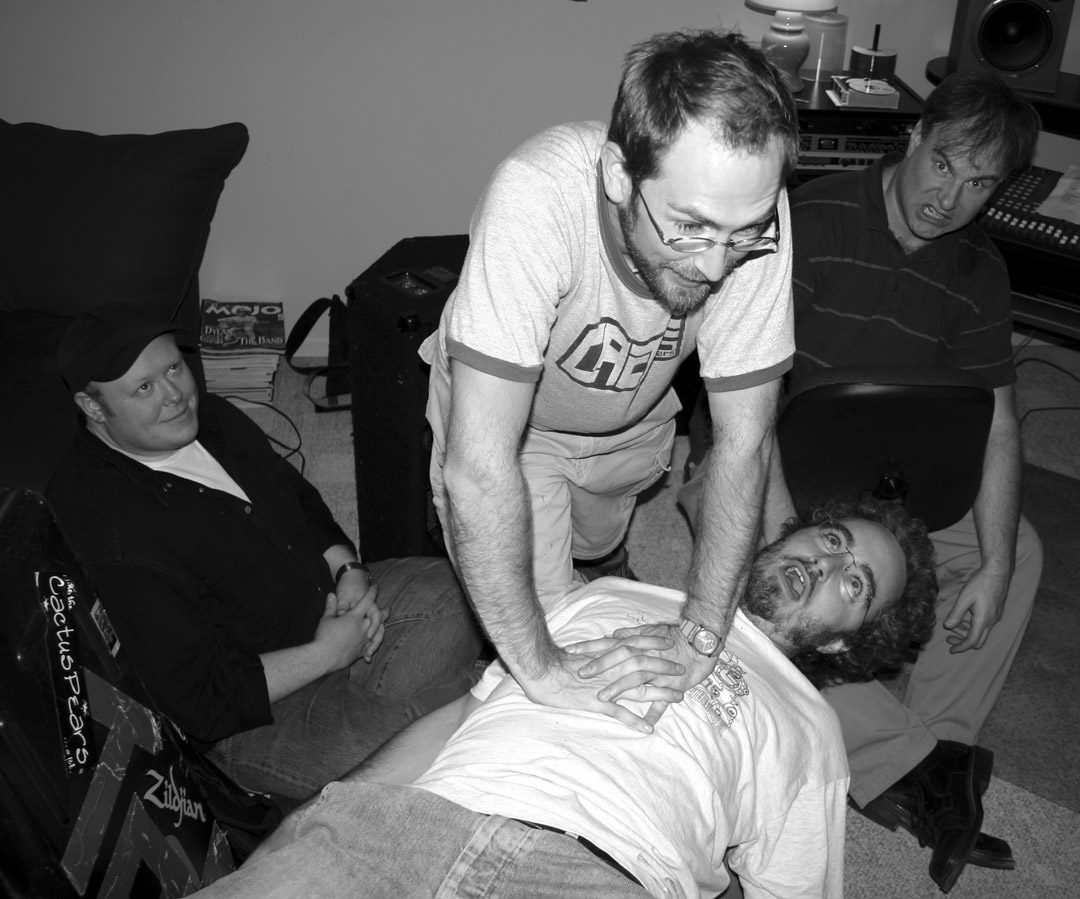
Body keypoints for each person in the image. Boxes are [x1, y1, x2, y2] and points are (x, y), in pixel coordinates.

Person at [189, 497, 939, 899]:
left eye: (855, 584)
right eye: (833, 540)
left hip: (597, 872)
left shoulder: (808, 727)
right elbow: (464, 713)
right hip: (413, 824)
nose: (829, 564)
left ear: (844, 642)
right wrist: (323, 810)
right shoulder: (610, 594)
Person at [681, 70, 1043, 892]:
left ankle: (937, 749)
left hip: (887, 486)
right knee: (776, 608)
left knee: (1016, 548)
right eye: (943, 163)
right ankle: (919, 771)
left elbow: (999, 422)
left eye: (979, 183)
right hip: (764, 455)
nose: (949, 196)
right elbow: (748, 393)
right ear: (914, 138)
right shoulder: (809, 221)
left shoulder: (979, 270)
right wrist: (784, 537)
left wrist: (991, 565)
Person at [420, 29, 800, 730]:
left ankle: (597, 560)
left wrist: (702, 635)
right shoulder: (536, 195)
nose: (717, 266)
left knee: (599, 547)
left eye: (743, 234)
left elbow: (744, 445)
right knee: (556, 632)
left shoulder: (749, 217)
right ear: (619, 175)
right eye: (690, 227)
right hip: (519, 429)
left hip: (636, 411)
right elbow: (479, 468)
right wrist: (542, 667)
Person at [45, 301, 485, 801]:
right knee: (436, 746)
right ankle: (421, 718)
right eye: (144, 388)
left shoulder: (212, 417)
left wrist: (348, 569)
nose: (174, 395)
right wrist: (326, 653)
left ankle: (401, 709)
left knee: (466, 588)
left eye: (173, 368)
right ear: (93, 408)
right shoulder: (110, 535)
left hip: (328, 608)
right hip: (257, 714)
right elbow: (199, 704)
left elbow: (297, 497)